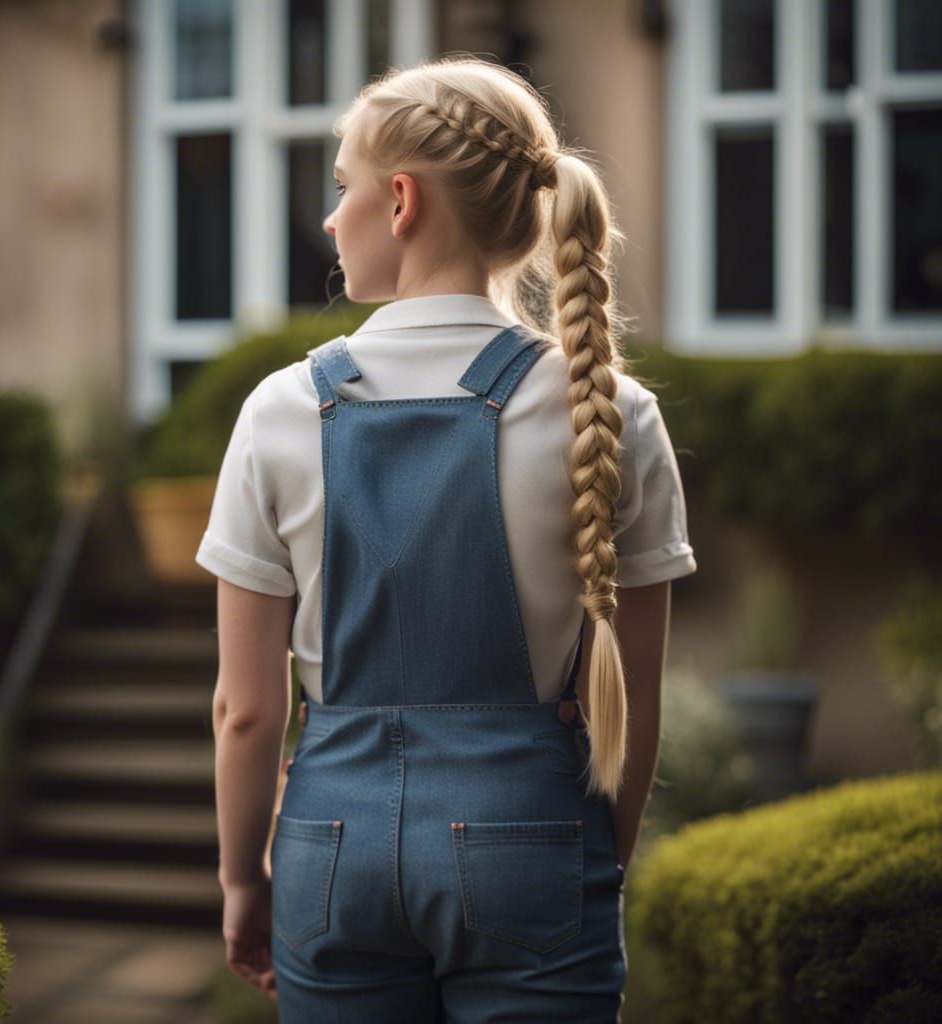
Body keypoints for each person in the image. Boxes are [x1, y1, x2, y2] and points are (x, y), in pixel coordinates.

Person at [197, 53, 697, 1023]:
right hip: (536, 843)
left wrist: (244, 880)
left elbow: (245, 712)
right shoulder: (611, 409)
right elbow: (632, 703)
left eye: (340, 189)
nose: (329, 219)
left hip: (329, 850)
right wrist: (598, 867)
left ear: (400, 201)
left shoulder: (280, 410)